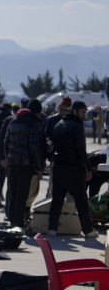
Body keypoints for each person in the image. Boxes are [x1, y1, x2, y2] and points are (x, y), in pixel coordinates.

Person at [47, 100, 99, 239]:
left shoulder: (59, 124)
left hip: (58, 167)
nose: (84, 115)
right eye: (82, 112)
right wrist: (88, 169)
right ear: (74, 111)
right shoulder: (77, 126)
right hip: (74, 169)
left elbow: (52, 145)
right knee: (81, 200)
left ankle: (52, 229)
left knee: (57, 200)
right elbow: (81, 150)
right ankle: (88, 231)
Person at [3, 98, 45, 230]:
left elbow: (6, 142)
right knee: (22, 194)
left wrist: (8, 158)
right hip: (25, 165)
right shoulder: (33, 123)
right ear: (37, 112)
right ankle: (19, 223)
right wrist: (39, 167)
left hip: (12, 163)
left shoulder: (13, 121)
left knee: (12, 192)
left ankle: (12, 221)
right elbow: (34, 147)